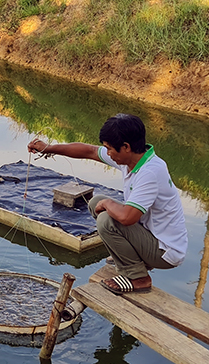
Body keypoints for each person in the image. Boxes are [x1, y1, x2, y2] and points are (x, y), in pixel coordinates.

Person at [27, 113, 187, 294]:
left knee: (106, 220)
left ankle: (138, 278)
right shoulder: (133, 159)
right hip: (151, 237)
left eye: (110, 149)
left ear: (126, 147)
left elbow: (127, 218)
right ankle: (134, 260)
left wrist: (108, 203)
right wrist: (48, 148)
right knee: (95, 202)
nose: (108, 154)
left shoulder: (149, 172)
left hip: (164, 252)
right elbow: (89, 151)